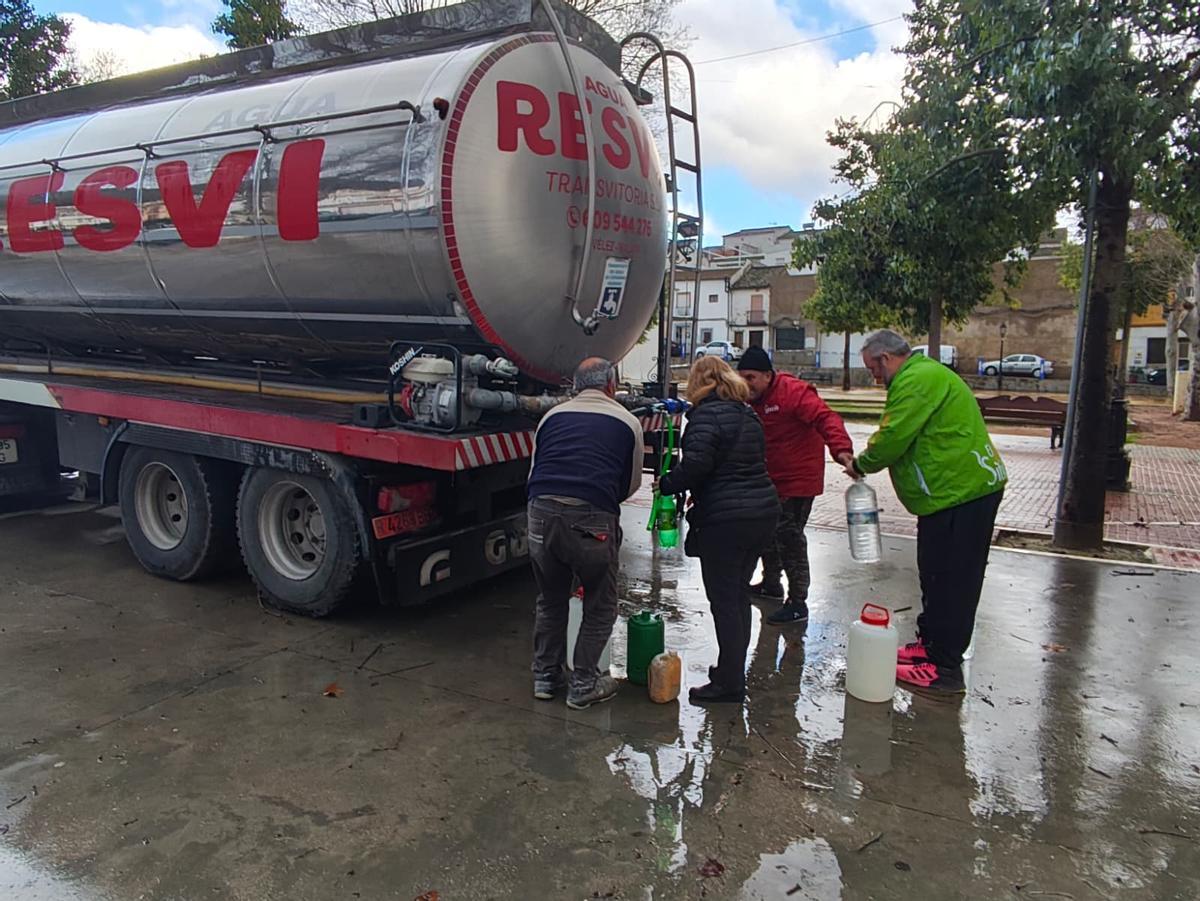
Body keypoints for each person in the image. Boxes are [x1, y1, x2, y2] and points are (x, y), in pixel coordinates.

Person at [844, 329, 1007, 694]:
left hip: (962, 493)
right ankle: (930, 646)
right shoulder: (924, 374)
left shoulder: (915, 380)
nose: (873, 376)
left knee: (954, 581)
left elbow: (894, 436)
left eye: (873, 368)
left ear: (886, 358)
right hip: (949, 493)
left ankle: (945, 668)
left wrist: (861, 463)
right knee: (934, 573)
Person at [658, 356, 780, 703]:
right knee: (738, 597)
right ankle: (730, 670)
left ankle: (729, 684)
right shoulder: (746, 413)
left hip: (727, 521)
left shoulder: (705, 416)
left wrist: (666, 484)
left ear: (698, 383)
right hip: (761, 514)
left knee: (725, 602)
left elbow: (696, 465)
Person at [527, 357, 643, 710]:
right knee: (600, 602)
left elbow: (535, 470)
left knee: (550, 598)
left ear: (575, 386)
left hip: (539, 516)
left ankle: (545, 677)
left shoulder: (550, 417)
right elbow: (630, 483)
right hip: (592, 518)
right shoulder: (627, 422)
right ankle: (583, 684)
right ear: (612, 384)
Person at [736, 346, 854, 625]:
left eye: (751, 377)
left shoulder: (794, 392)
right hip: (769, 479)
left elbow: (826, 418)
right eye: (742, 377)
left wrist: (841, 449)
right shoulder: (749, 399)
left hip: (798, 480)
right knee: (766, 532)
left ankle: (798, 601)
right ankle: (771, 584)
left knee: (789, 538)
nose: (746, 384)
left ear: (767, 375)